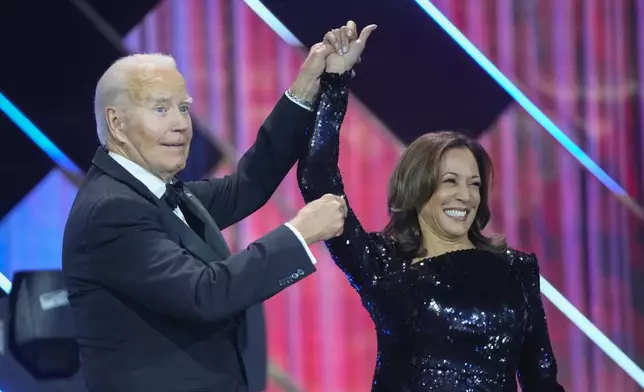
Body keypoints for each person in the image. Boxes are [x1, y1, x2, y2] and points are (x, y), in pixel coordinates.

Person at [62, 22, 362, 392]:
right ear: (117, 124)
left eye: (183, 108)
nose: (181, 125)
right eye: (161, 109)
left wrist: (307, 84)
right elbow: (203, 293)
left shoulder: (155, 192)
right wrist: (301, 234)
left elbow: (247, 186)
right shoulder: (111, 211)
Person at [297, 28, 566, 391]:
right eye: (450, 181)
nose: (466, 196)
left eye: (474, 184)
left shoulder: (517, 270)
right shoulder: (382, 263)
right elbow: (318, 180)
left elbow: (541, 378)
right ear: (417, 188)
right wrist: (335, 83)